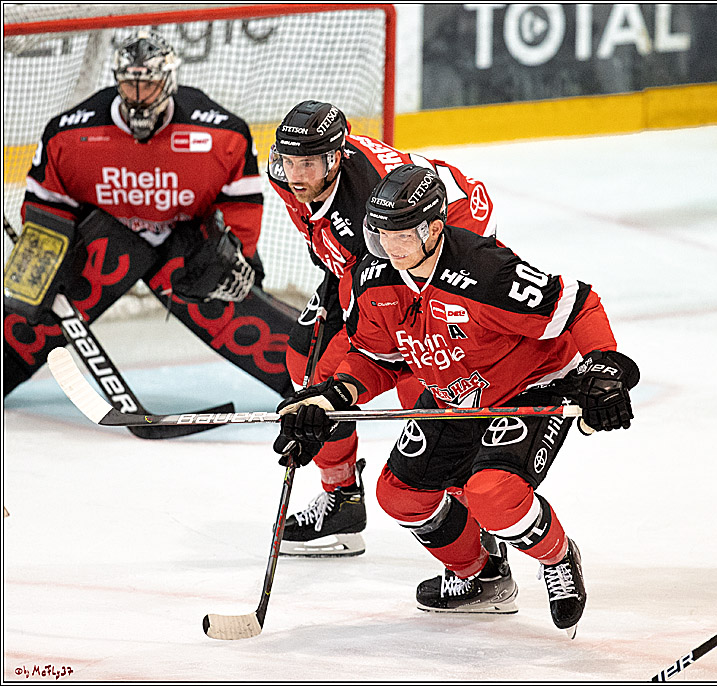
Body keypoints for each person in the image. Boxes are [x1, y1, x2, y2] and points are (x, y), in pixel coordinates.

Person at [272, 164, 639, 636]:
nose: (387, 246)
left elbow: (578, 303)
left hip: (531, 388)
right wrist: (332, 398)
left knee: (493, 493)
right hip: (453, 393)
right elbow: (377, 358)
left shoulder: (486, 271)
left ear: (435, 230)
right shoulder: (373, 278)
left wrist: (605, 365)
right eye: (379, 232)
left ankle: (558, 556)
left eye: (401, 234)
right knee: (400, 495)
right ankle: (481, 576)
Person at [3, 29, 298, 398]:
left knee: (228, 291)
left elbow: (241, 202)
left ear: (169, 80)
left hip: (183, 241)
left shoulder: (222, 135)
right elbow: (46, 202)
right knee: (32, 311)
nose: (139, 96)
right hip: (102, 244)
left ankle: (312, 386)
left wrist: (238, 250)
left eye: (150, 85)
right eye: (129, 85)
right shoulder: (69, 135)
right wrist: (47, 255)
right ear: (117, 81)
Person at [267, 101, 498, 557]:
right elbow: (325, 232)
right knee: (305, 366)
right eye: (288, 160)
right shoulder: (290, 176)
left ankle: (479, 534)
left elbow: (384, 296)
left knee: (427, 397)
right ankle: (342, 498)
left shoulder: (369, 204)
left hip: (430, 256)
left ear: (335, 158)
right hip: (360, 263)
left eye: (307, 164)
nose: (295, 175)